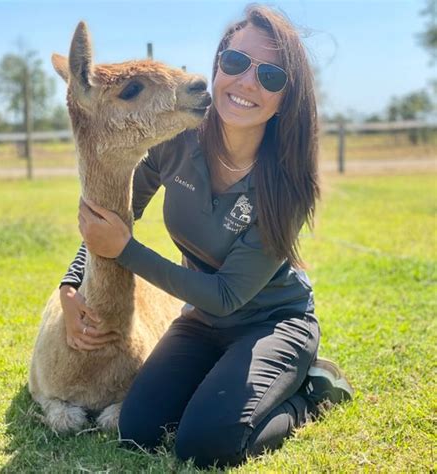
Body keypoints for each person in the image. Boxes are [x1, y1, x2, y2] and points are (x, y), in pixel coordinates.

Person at [59, 4, 354, 468]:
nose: (247, 82)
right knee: (137, 430)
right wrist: (70, 286)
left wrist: (128, 251)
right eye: (236, 62)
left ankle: (311, 395)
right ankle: (223, 380)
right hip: (201, 322)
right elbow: (110, 221)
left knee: (207, 444)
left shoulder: (287, 182)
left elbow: (226, 295)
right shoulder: (176, 141)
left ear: (285, 97)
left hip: (270, 322)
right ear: (219, 63)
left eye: (271, 76)